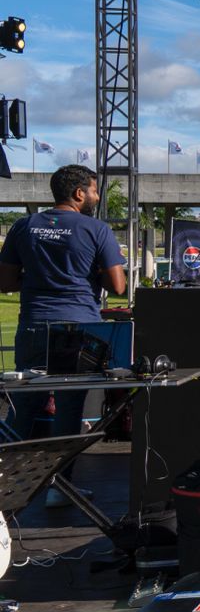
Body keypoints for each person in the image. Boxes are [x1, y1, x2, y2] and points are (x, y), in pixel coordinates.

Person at [0, 165, 128, 507]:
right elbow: (118, 286)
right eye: (95, 190)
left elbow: (6, 283)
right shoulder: (96, 229)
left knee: (23, 407)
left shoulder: (23, 227)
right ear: (78, 194)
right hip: (76, 329)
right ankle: (60, 489)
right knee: (69, 409)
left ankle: (6, 488)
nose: (98, 196)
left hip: (33, 326)